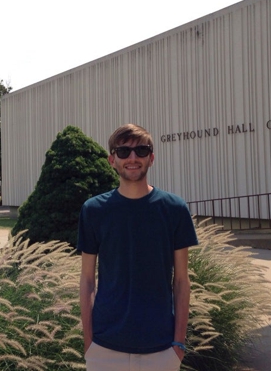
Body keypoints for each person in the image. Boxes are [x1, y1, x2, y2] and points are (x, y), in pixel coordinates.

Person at [78, 124, 198, 371]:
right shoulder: (94, 211)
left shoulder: (174, 209)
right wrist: (89, 342)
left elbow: (182, 281)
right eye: (123, 152)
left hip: (161, 349)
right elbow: (87, 280)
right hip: (104, 348)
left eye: (141, 151)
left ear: (151, 158)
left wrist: (178, 345)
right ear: (112, 160)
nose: (132, 158)